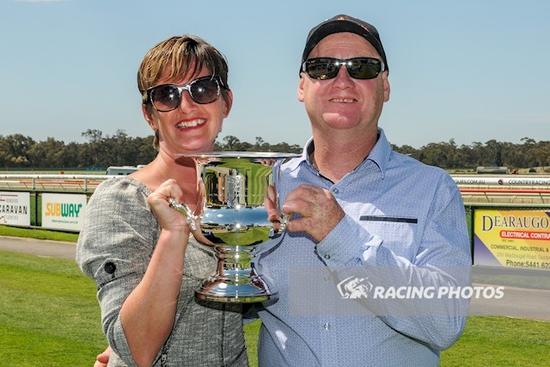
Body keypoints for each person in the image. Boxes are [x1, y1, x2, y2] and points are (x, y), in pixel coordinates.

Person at [256, 14, 472, 366]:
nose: (342, 80)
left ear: (385, 86)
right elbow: (235, 310)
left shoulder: (434, 188)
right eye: (323, 67)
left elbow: (445, 320)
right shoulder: (267, 185)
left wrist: (341, 234)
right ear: (301, 86)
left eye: (363, 67)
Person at [76, 35, 248, 367]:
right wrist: (172, 235)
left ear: (226, 101)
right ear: (150, 114)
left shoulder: (238, 196)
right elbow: (136, 348)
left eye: (203, 89)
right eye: (166, 95)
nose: (187, 106)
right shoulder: (121, 202)